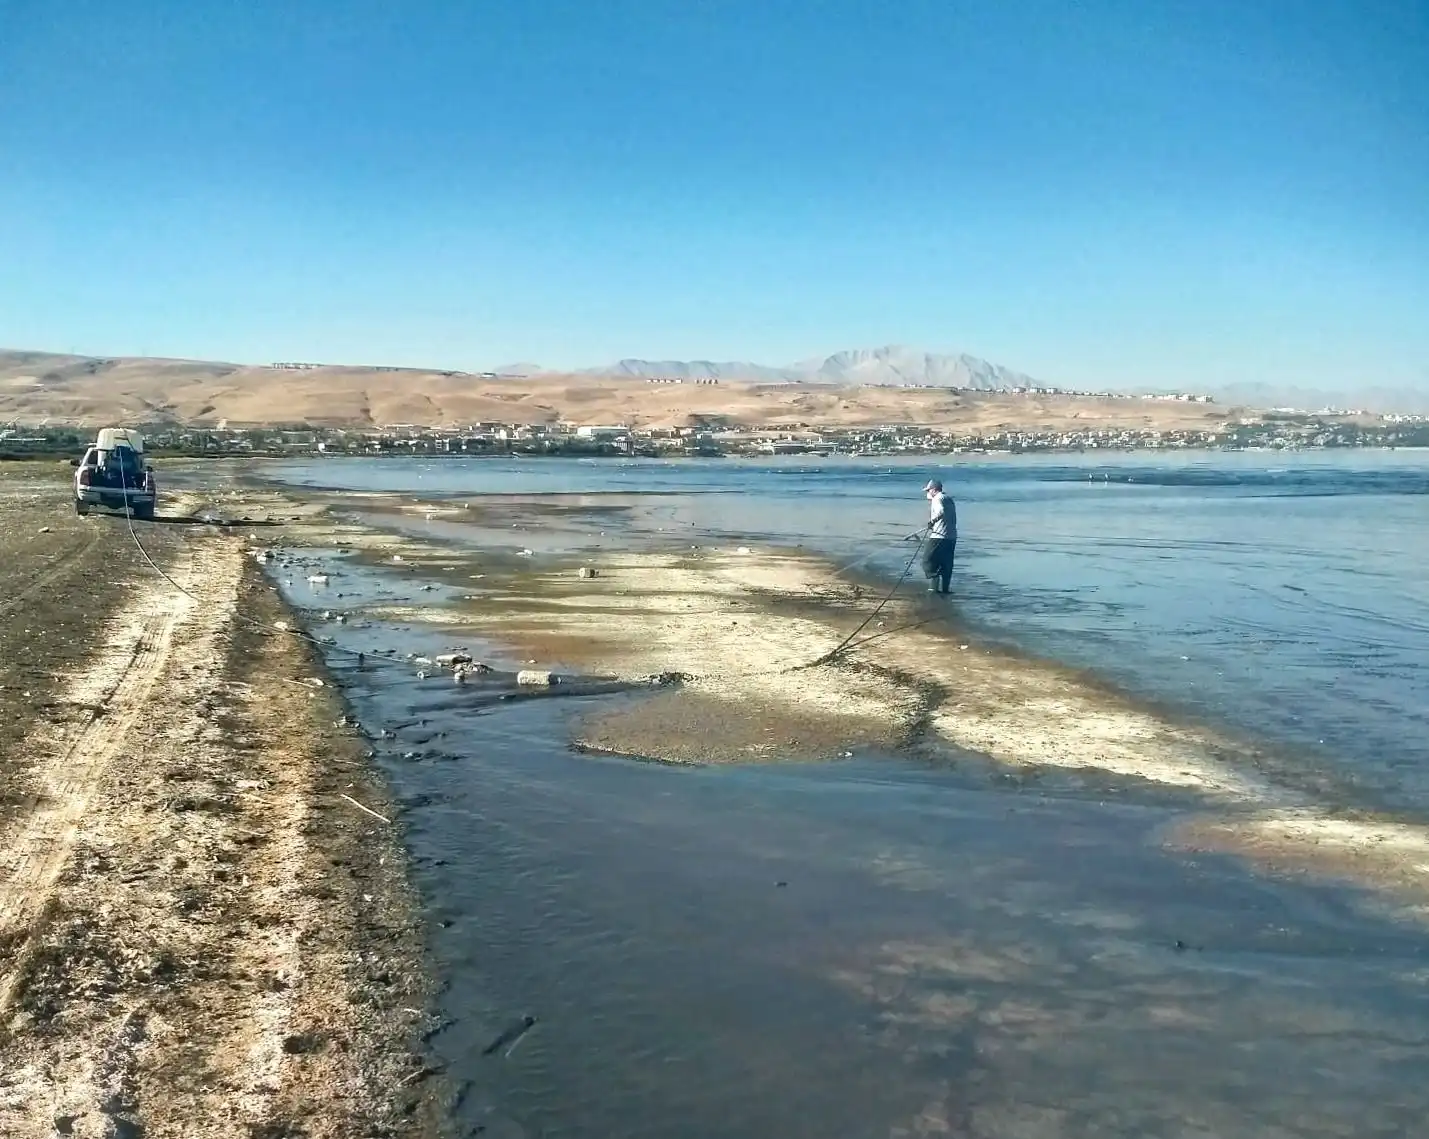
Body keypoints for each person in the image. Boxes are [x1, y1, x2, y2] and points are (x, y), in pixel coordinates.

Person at [920, 479, 956, 594]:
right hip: (951, 537)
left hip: (939, 536)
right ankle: (945, 590)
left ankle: (933, 588)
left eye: (929, 490)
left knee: (927, 560)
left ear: (934, 489)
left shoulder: (938, 498)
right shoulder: (948, 499)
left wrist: (932, 521)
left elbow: (941, 511)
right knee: (946, 564)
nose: (927, 493)